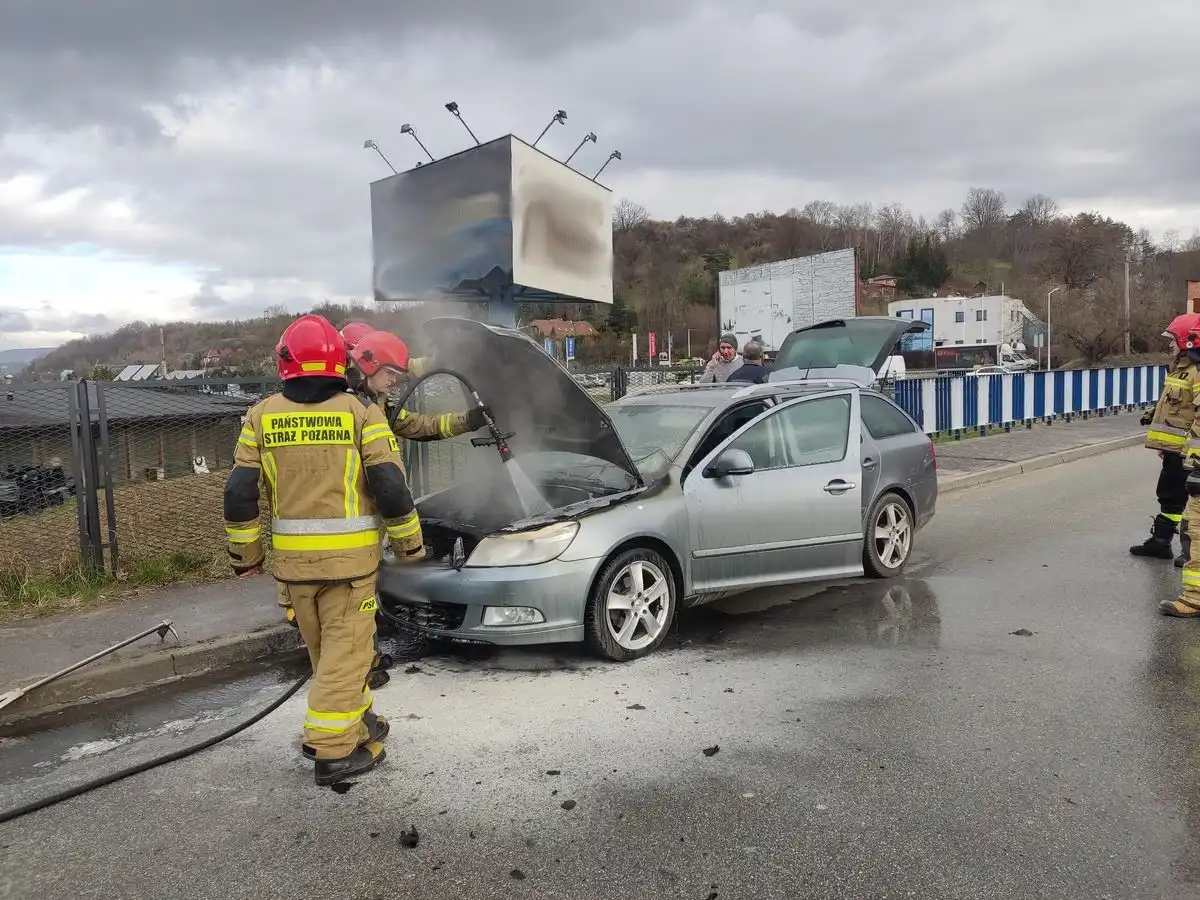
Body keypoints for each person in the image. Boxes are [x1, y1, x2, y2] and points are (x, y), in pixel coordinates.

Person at [223, 313, 426, 786]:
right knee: (349, 653)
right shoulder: (360, 414)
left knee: (330, 654)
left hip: (293, 570)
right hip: (350, 568)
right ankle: (333, 751)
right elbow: (390, 487)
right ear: (340, 362)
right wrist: (410, 546)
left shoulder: (260, 416)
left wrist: (245, 556)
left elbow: (239, 492)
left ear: (284, 363)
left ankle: (360, 722)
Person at [1132, 312, 1200, 563]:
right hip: (1175, 449)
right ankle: (1161, 542)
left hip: (1189, 452)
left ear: (1187, 340)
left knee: (1191, 500)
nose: (1170, 344)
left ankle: (1191, 552)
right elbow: (1173, 405)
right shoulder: (1180, 369)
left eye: (1173, 340)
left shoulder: (1196, 371)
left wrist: (1193, 452)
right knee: (1170, 495)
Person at [348, 330, 489, 440]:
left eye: (396, 374)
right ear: (371, 366)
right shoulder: (348, 406)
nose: (393, 380)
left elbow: (422, 426)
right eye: (390, 373)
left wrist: (467, 420)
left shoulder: (381, 404)